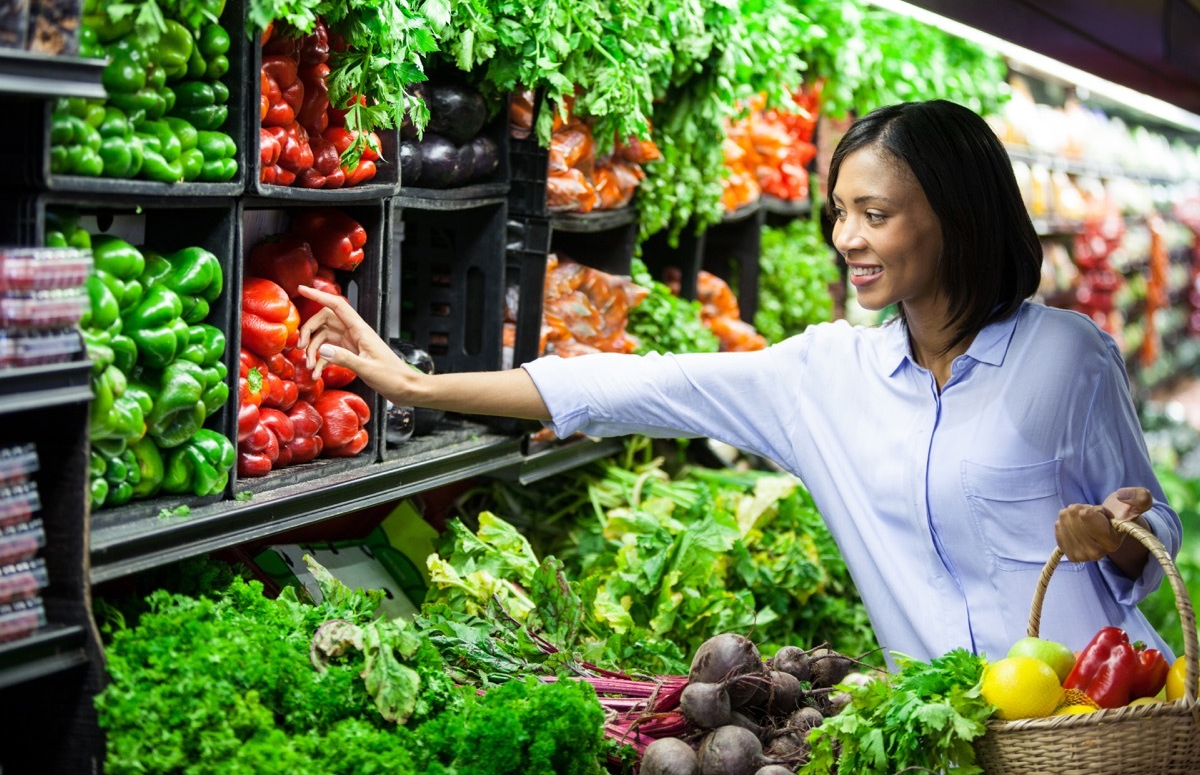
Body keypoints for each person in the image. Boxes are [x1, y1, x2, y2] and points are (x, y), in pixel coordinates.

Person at [297, 99, 1181, 667]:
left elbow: (1156, 537)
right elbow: (620, 387)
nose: (847, 239)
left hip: (1098, 717)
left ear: (957, 214)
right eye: (840, 213)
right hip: (948, 731)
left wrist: (1119, 537)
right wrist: (414, 387)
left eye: (875, 215)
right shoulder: (825, 375)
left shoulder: (1065, 357)